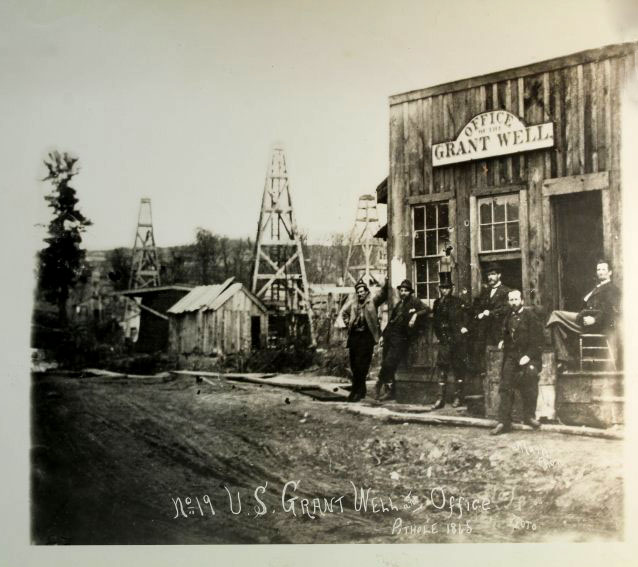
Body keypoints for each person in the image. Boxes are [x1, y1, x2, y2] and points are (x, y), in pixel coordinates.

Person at [546, 259, 621, 371]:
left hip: (596, 325)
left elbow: (610, 310)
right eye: (598, 269)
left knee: (555, 315)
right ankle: (564, 359)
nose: (600, 272)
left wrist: (595, 319)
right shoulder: (596, 287)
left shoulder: (612, 289)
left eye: (603, 269)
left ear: (610, 272)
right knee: (555, 324)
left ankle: (554, 349)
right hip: (584, 320)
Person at [491, 289, 543, 435]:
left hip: (529, 357)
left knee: (530, 380)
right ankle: (503, 422)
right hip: (512, 357)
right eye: (511, 300)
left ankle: (529, 416)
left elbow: (538, 341)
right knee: (505, 385)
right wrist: (502, 340)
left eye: (516, 300)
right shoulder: (508, 317)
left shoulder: (530, 316)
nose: (513, 303)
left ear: (522, 301)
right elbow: (506, 334)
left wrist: (528, 355)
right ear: (508, 302)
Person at [376, 280, 428, 402]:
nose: (403, 292)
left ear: (410, 292)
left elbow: (427, 309)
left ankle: (379, 383)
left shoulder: (414, 301)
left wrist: (415, 315)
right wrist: (383, 336)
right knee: (387, 362)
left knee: (389, 362)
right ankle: (390, 391)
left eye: (406, 290)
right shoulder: (399, 304)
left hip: (402, 338)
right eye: (402, 290)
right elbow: (391, 321)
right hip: (391, 337)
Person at [341, 279, 387, 402]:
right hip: (354, 337)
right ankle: (360, 390)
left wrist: (386, 282)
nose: (360, 294)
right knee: (354, 365)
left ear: (366, 291)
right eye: (358, 292)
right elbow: (344, 313)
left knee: (363, 365)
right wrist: (348, 324)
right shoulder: (353, 303)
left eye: (362, 291)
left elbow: (382, 295)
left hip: (366, 337)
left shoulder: (372, 301)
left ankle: (356, 391)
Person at [431, 272, 470, 409]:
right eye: (442, 288)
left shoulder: (458, 302)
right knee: (442, 370)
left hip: (457, 342)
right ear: (439, 289)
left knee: (458, 369)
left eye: (447, 288)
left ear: (451, 288)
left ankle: (459, 397)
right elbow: (435, 322)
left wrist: (463, 329)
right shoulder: (437, 303)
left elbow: (466, 319)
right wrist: (440, 337)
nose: (445, 290)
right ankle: (440, 399)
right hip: (444, 341)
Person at [471, 262, 512, 373]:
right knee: (483, 359)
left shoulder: (506, 291)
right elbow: (477, 306)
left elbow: (506, 309)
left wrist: (490, 313)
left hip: (498, 330)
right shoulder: (485, 292)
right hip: (484, 331)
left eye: (493, 274)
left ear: (499, 275)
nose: (490, 277)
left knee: (498, 360)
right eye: (489, 275)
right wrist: (478, 313)